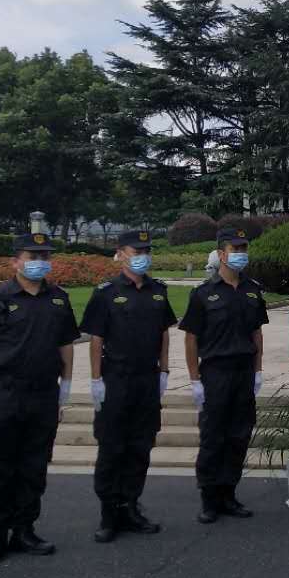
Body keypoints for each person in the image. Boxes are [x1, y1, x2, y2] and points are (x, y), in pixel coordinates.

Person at [0, 231, 79, 565]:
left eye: (44, 257)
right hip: (6, 393)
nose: (40, 262)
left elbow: (65, 344)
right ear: (15, 262)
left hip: (44, 393)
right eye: (32, 257)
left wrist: (66, 385)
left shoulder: (58, 299)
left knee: (34, 465)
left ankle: (25, 529)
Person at [79, 229, 177, 543]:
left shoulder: (158, 291)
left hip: (146, 380)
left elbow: (164, 333)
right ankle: (109, 513)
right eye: (137, 251)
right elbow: (96, 339)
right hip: (116, 380)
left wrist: (164, 370)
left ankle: (130, 506)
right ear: (121, 254)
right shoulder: (106, 292)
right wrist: (96, 379)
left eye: (147, 251)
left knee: (140, 446)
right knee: (112, 447)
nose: (143, 257)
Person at [180, 226, 268, 523]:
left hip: (244, 372)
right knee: (213, 436)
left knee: (239, 435)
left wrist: (258, 370)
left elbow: (256, 333)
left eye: (244, 249)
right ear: (221, 254)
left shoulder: (252, 290)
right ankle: (209, 497)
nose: (241, 254)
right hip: (215, 372)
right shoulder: (203, 294)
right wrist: (194, 379)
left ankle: (229, 493)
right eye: (235, 249)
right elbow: (191, 339)